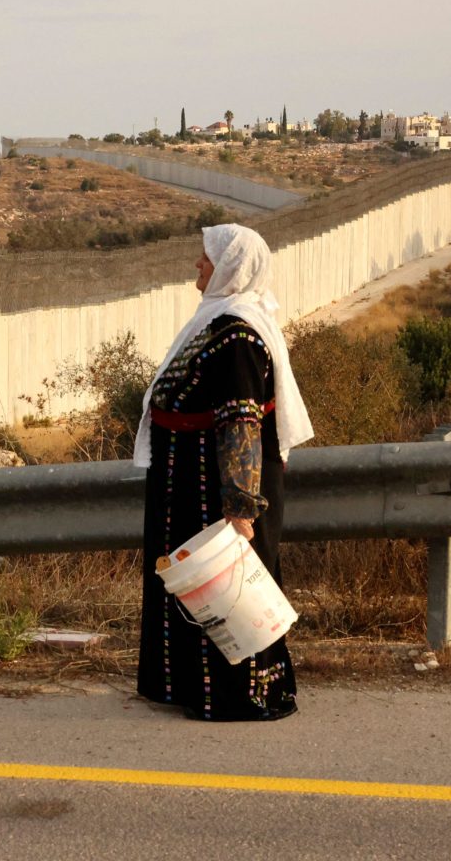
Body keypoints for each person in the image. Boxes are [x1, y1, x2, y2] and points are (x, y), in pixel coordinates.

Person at [132, 223, 313, 721]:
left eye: (206, 258)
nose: (198, 264)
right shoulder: (216, 323)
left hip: (215, 489)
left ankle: (240, 696)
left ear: (230, 268)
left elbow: (241, 424)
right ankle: (186, 687)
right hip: (186, 481)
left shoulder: (238, 336)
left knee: (226, 589)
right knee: (193, 586)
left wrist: (239, 508)